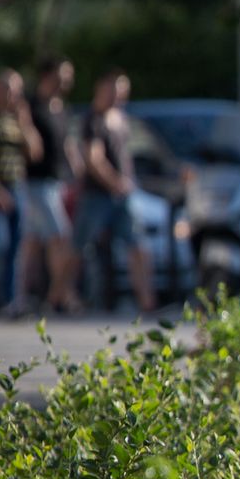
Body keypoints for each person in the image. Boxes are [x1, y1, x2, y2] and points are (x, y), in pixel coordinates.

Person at [76, 69, 157, 313]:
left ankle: (146, 301)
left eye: (122, 91)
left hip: (124, 194)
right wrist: (115, 182)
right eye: (113, 90)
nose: (117, 96)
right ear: (101, 90)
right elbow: (93, 160)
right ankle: (61, 293)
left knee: (138, 246)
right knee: (77, 246)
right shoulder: (93, 119)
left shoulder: (120, 118)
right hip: (98, 195)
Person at [11, 56, 82, 316]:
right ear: (48, 75)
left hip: (57, 183)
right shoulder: (30, 105)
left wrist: (77, 173)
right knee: (59, 235)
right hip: (34, 183)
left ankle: (23, 297)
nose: (68, 80)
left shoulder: (61, 108)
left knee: (31, 244)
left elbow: (67, 144)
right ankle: (59, 296)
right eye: (64, 74)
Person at [0, 68, 42, 309]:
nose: (13, 95)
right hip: (1, 187)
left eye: (17, 90)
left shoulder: (17, 118)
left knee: (16, 246)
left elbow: (34, 152)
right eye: (8, 89)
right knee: (1, 243)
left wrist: (25, 122)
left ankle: (11, 299)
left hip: (16, 185)